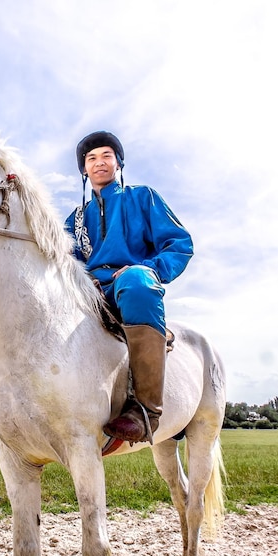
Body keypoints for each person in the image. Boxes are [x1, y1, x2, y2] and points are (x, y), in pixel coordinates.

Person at [65, 131, 193, 444]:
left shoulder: (142, 197)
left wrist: (147, 268)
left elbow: (179, 244)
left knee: (136, 282)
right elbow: (62, 261)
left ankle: (146, 410)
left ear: (119, 163)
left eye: (106, 155)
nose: (99, 163)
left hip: (130, 282)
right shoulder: (76, 219)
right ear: (84, 169)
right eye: (91, 158)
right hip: (89, 287)